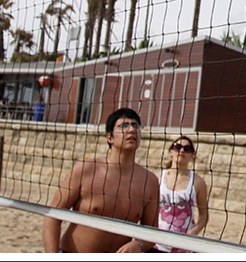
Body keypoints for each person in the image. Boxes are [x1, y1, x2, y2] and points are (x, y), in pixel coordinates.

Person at [43, 108, 160, 253]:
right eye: (124, 126)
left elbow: (152, 232)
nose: (131, 130)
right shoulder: (85, 169)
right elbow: (52, 217)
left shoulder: (149, 181)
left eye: (135, 125)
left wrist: (138, 245)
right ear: (110, 138)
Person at [154, 136, 209, 253]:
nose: (182, 150)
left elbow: (204, 216)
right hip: (157, 243)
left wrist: (193, 232)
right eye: (178, 147)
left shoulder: (198, 182)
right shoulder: (157, 178)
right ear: (171, 152)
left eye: (187, 149)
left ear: (192, 155)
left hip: (183, 246)